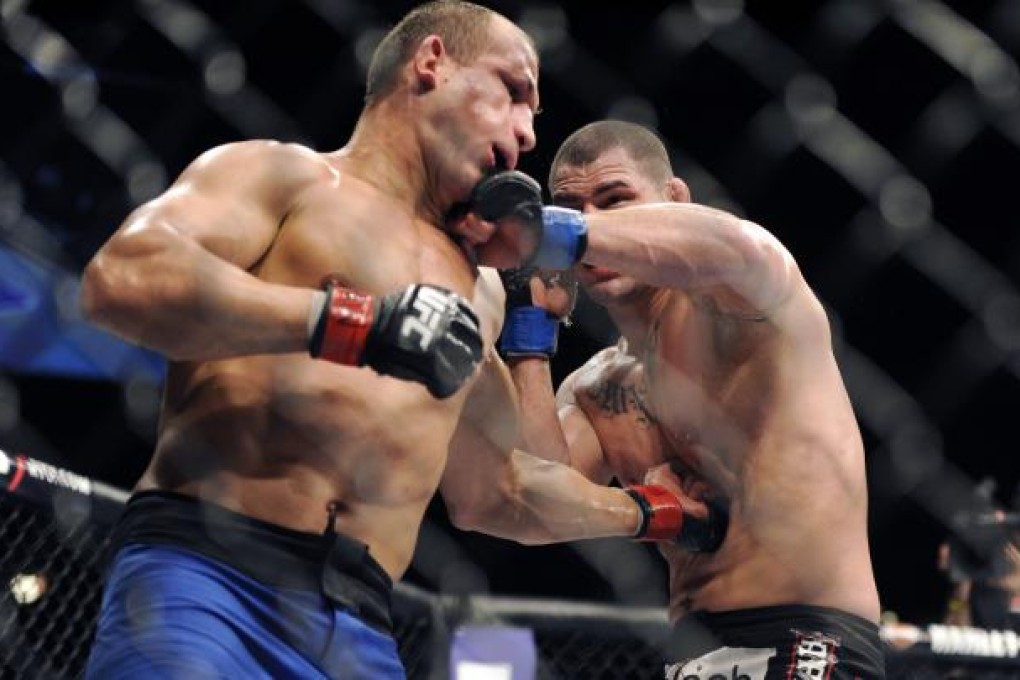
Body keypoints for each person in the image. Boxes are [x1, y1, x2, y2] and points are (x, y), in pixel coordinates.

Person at [77, 3, 675, 677]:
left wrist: (650, 512)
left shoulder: (478, 289)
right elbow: (122, 278)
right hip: (207, 578)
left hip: (359, 626)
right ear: (432, 63)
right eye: (513, 92)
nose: (527, 132)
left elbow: (495, 490)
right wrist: (356, 324)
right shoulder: (283, 176)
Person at [446, 120, 887, 678]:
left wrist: (557, 229)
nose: (595, 223)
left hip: (807, 641)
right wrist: (530, 335)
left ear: (675, 199)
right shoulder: (597, 387)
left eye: (615, 201)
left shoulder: (741, 309)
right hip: (690, 656)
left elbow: (741, 249)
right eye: (572, 207)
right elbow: (529, 500)